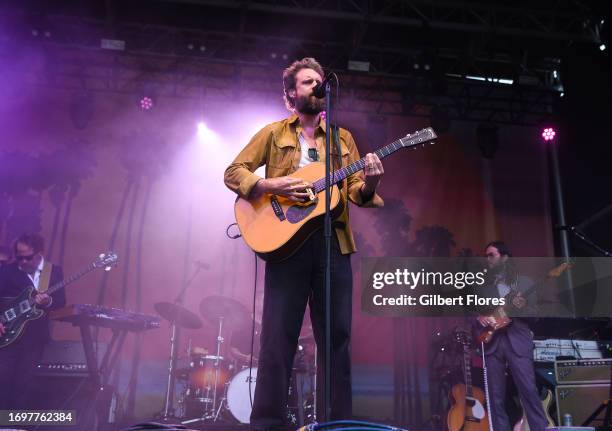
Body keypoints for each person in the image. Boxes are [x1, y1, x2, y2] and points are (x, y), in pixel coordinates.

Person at [224, 57, 384, 430]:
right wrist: (270, 184)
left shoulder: (343, 139)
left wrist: (372, 182)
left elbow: (357, 192)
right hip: (287, 245)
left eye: (319, 81)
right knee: (278, 336)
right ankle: (268, 422)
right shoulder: (273, 133)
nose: (317, 85)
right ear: (290, 95)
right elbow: (234, 173)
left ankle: (337, 423)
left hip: (334, 244)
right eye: (308, 82)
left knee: (337, 339)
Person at [476, 241, 547, 431]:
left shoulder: (524, 282)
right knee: (495, 396)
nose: (487, 259)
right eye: (486, 255)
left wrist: (522, 307)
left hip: (517, 341)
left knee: (528, 391)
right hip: (492, 344)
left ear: (505, 257)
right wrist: (480, 318)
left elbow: (536, 315)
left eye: (491, 254)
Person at [0, 233, 66, 409]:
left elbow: (60, 301)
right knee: (3, 380)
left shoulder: (54, 271)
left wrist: (48, 301)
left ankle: (15, 425)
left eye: (27, 258)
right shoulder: (8, 270)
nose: (22, 262)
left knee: (24, 383)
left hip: (34, 337)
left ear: (39, 253)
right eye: (19, 257)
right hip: (7, 335)